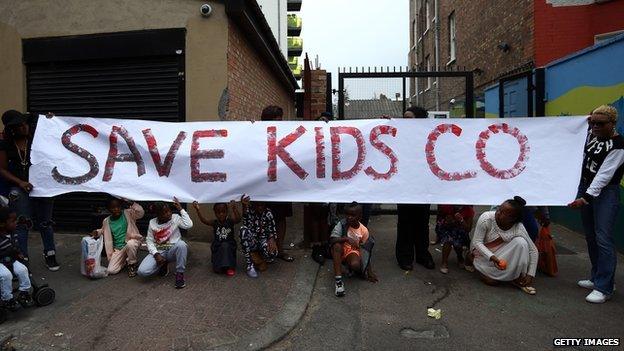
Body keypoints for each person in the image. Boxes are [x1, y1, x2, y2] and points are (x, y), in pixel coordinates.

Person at [568, 105, 624, 303]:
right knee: (591, 237)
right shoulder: (591, 136)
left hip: (605, 193)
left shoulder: (618, 145)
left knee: (603, 239)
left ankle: (605, 287)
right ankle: (597, 276)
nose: (595, 126)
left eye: (601, 123)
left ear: (613, 124)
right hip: (586, 189)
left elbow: (604, 176)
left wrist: (585, 198)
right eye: (593, 122)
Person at [0, 110, 59, 271]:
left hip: (42, 186)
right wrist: (20, 182)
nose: (24, 127)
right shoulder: (5, 144)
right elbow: (2, 169)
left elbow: (56, 139)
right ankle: (22, 260)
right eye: (19, 126)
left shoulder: (37, 138)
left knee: (45, 222)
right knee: (22, 224)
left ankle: (50, 253)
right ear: (12, 129)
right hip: (20, 189)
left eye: (25, 123)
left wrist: (52, 121)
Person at [468, 196, 538, 295]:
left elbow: (533, 251)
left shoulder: (519, 227)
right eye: (499, 209)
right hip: (481, 252)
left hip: (500, 255)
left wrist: (530, 274)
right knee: (492, 282)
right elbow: (477, 242)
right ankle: (472, 259)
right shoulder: (486, 218)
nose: (497, 212)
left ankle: (515, 276)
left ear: (512, 218)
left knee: (521, 243)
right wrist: (493, 258)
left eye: (502, 212)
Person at [396, 106, 435, 271]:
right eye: (403, 118)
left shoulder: (427, 135)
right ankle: (404, 256)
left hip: (422, 187)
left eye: (409, 118)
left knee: (422, 222)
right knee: (405, 222)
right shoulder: (398, 134)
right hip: (404, 187)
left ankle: (422, 255)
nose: (405, 121)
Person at [260, 105, 295, 263]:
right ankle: (265, 249)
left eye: (280, 120)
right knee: (262, 217)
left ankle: (279, 249)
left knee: (280, 218)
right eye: (276, 120)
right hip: (263, 184)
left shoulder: (285, 133)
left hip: (281, 183)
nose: (280, 123)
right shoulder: (256, 135)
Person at [137, 197, 192, 289]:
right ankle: (163, 263)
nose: (169, 214)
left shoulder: (175, 218)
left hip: (172, 250)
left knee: (182, 245)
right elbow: (149, 241)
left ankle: (179, 274)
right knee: (142, 272)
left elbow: (189, 225)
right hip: (159, 250)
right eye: (165, 213)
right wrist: (156, 254)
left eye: (169, 211)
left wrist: (181, 209)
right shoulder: (152, 223)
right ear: (158, 215)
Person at [330, 202, 378, 297]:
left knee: (355, 265)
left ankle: (349, 268)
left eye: (352, 215)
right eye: (347, 214)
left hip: (352, 252)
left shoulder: (364, 230)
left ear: (360, 217)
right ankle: (338, 281)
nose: (349, 217)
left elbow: (366, 251)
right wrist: (346, 239)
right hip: (340, 250)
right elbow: (332, 240)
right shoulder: (342, 224)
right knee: (336, 246)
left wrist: (369, 271)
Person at [90, 197, 144, 277]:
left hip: (130, 242)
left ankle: (132, 264)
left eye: (118, 207)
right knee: (111, 270)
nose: (116, 209)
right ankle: (126, 260)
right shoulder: (107, 220)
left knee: (130, 244)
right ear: (108, 209)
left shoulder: (128, 213)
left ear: (121, 207)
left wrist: (132, 204)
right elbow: (102, 230)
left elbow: (140, 213)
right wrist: (96, 232)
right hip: (118, 248)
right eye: (113, 207)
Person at [192, 199, 241, 276]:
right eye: (218, 212)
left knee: (225, 246)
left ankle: (229, 267)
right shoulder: (215, 223)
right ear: (215, 213)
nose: (221, 214)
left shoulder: (230, 221)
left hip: (229, 245)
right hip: (218, 245)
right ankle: (219, 266)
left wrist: (234, 208)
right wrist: (197, 210)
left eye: (223, 212)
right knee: (217, 268)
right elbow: (204, 220)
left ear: (227, 212)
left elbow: (238, 219)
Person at [0, 206, 34, 310]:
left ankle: (24, 292)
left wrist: (19, 253)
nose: (16, 223)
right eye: (12, 221)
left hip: (11, 259)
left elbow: (16, 247)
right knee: (6, 276)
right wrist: (8, 252)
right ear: (2, 224)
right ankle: (7, 299)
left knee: (23, 270)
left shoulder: (13, 234)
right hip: (1, 261)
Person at [239, 196, 278, 278]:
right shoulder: (250, 211)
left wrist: (272, 238)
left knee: (273, 253)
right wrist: (244, 207)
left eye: (262, 205)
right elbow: (245, 224)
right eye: (257, 205)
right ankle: (250, 265)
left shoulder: (268, 213)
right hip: (253, 240)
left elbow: (272, 229)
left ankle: (260, 259)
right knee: (243, 230)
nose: (260, 207)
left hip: (263, 240)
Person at [435, 205, 475, 274]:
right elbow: (439, 221)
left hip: (461, 230)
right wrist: (446, 221)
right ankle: (444, 262)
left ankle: (460, 257)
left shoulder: (469, 210)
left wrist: (461, 220)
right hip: (447, 229)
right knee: (448, 240)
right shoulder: (446, 206)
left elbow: (468, 229)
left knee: (458, 241)